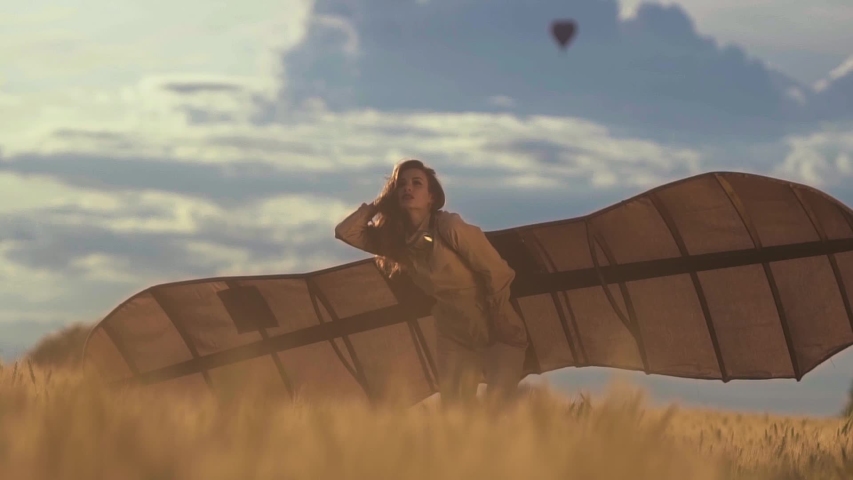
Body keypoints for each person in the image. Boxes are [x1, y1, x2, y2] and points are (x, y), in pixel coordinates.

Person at [334, 159, 529, 405]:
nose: (408, 188)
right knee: (455, 414)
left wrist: (498, 317)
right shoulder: (397, 243)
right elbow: (345, 232)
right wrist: (378, 204)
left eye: (417, 183)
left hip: (496, 325)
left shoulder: (449, 227)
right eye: (401, 185)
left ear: (431, 198)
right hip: (452, 333)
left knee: (498, 410)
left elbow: (498, 272)